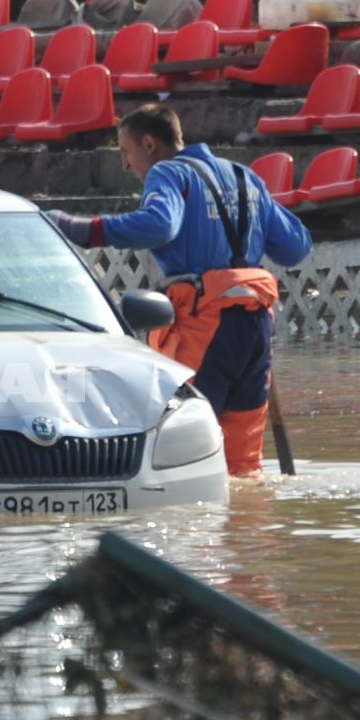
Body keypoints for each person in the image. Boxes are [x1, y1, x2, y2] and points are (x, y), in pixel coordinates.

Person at [44, 104, 311, 478]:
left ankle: (193, 537)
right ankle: (246, 533)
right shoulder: (244, 177)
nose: (125, 165)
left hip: (204, 325)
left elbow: (159, 226)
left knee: (178, 446)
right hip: (255, 329)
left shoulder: (168, 173)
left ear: (149, 144)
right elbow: (296, 246)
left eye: (126, 152)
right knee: (242, 463)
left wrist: (77, 229)